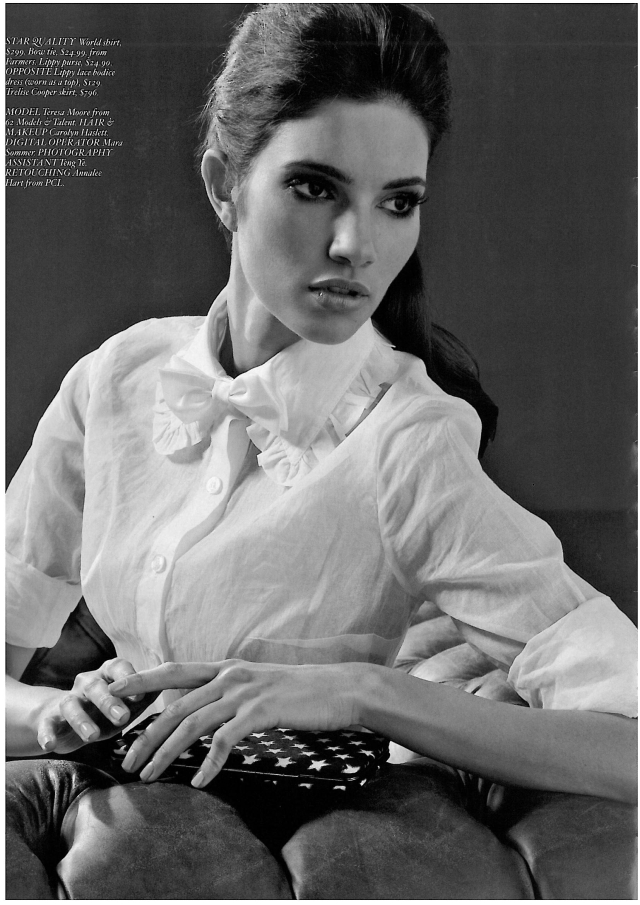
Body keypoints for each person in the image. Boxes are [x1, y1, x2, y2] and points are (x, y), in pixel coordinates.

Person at [6, 3, 636, 899]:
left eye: (398, 202)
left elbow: (630, 745)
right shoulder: (118, 378)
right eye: (314, 187)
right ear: (224, 185)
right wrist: (57, 714)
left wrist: (362, 692)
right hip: (125, 823)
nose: (357, 245)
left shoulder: (406, 441)